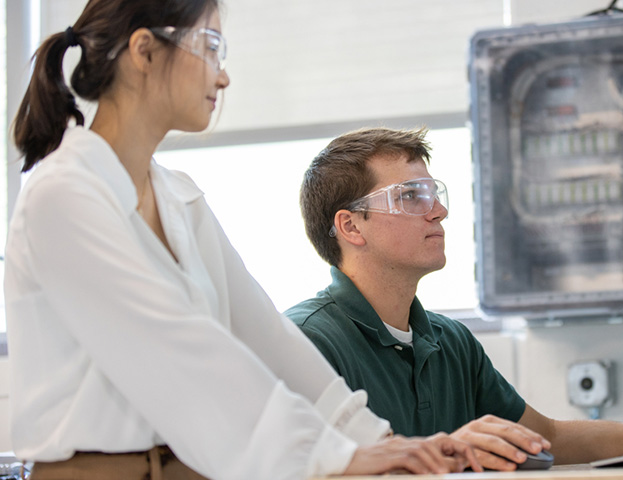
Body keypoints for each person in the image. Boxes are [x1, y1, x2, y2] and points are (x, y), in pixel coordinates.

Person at [4, 1, 481, 478]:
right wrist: (336, 457)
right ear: (144, 52)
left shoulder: (180, 199)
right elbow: (184, 353)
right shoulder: (63, 195)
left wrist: (383, 443)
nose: (223, 77)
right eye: (210, 47)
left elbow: (269, 339)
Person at [286, 126, 623, 471]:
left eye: (433, 192)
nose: (439, 210)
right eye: (411, 195)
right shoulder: (305, 341)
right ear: (350, 226)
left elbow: (550, 439)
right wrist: (449, 449)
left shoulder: (450, 342)